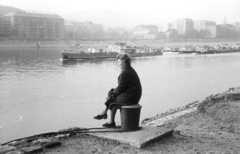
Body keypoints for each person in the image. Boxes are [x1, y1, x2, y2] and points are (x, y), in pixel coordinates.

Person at [94, 53, 142, 128]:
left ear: (123, 62)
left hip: (131, 97)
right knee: (111, 93)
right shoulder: (129, 70)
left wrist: (113, 93)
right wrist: (112, 92)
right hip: (133, 94)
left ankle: (109, 119)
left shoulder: (125, 72)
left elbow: (120, 88)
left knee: (112, 100)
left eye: (119, 62)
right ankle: (106, 115)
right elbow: (122, 87)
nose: (118, 65)